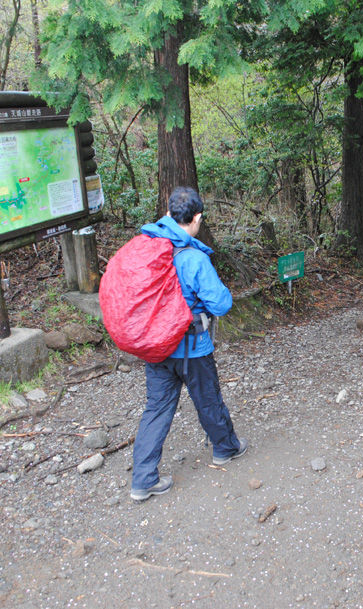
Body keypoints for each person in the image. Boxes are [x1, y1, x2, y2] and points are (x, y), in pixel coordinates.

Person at [130, 187, 247, 502]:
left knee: (156, 409)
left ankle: (142, 479)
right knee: (208, 400)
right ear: (196, 219)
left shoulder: (149, 248)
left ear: (168, 214)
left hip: (156, 347)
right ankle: (225, 448)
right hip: (192, 348)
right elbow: (220, 303)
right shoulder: (193, 257)